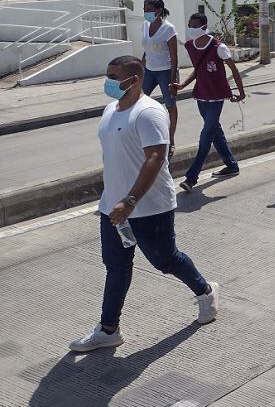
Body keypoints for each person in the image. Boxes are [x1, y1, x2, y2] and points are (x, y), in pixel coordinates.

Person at [70, 55, 218, 352]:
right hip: (112, 207)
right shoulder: (111, 109)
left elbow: (155, 158)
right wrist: (115, 199)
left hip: (149, 207)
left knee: (166, 260)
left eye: (114, 76)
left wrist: (131, 200)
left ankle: (205, 292)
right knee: (116, 267)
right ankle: (108, 329)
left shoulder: (149, 112)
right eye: (108, 75)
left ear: (134, 79)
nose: (108, 82)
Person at [171, 13, 245, 193]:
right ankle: (231, 165)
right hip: (201, 95)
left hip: (217, 96)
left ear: (204, 27)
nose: (190, 29)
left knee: (206, 135)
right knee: (214, 130)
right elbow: (198, 70)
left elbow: (234, 70)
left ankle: (191, 178)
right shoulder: (190, 46)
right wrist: (182, 85)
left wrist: (241, 93)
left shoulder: (219, 47)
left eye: (193, 26)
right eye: (189, 25)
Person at [140, 0, 178, 158]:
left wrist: (173, 80)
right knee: (138, 103)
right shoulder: (144, 25)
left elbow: (174, 56)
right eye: (144, 9)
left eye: (148, 9)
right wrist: (140, 67)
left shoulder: (168, 29)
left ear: (159, 11)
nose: (145, 12)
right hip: (149, 70)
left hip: (165, 71)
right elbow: (147, 49)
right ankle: (142, 137)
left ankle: (171, 140)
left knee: (170, 106)